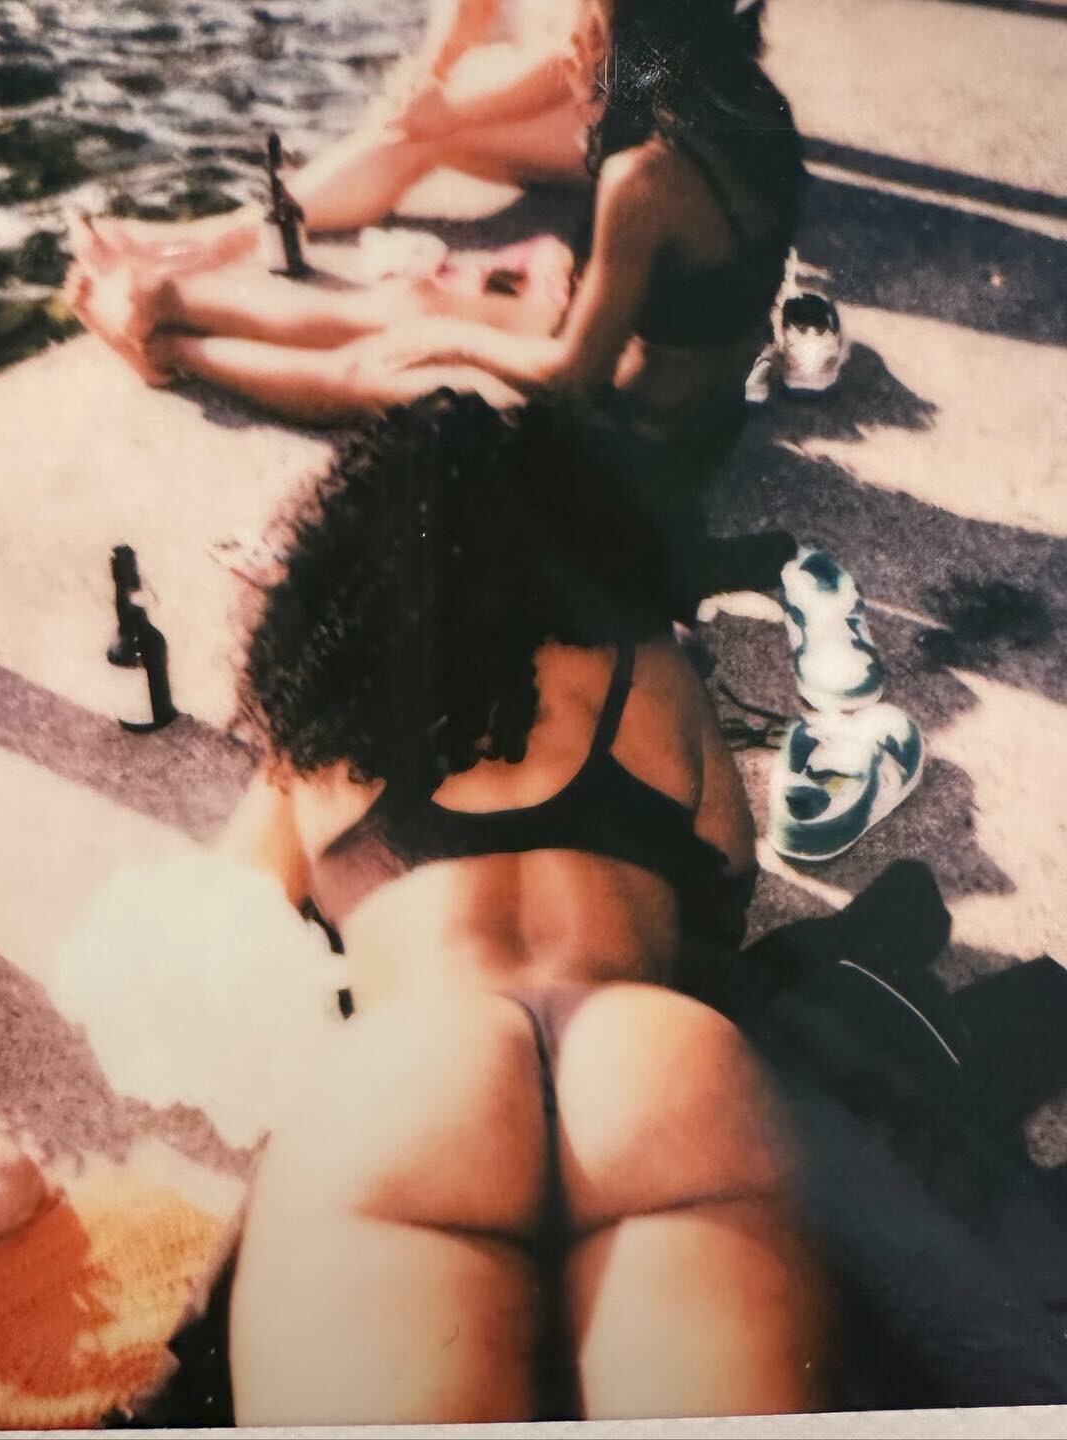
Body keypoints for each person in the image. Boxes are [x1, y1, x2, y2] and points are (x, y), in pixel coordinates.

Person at [214, 392, 827, 1424]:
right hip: (652, 1061)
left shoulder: (327, 720)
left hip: (415, 1078)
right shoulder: (653, 668)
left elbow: (220, 930)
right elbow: (728, 877)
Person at [68, 0, 802, 607]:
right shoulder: (747, 103)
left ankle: (169, 348)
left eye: (589, 20)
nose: (574, 39)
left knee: (386, 364)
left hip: (634, 448)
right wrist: (564, 270)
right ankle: (170, 295)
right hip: (685, 398)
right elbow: (706, 267)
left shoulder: (643, 177)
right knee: (413, 300)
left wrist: (457, 343)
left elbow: (573, 377)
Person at [94, 0, 591, 264]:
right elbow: (472, 8)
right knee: (410, 113)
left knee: (423, 136)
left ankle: (227, 236)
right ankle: (253, 225)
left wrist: (452, 114)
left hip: (610, 123)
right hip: (568, 99)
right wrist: (427, 83)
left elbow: (582, 60)